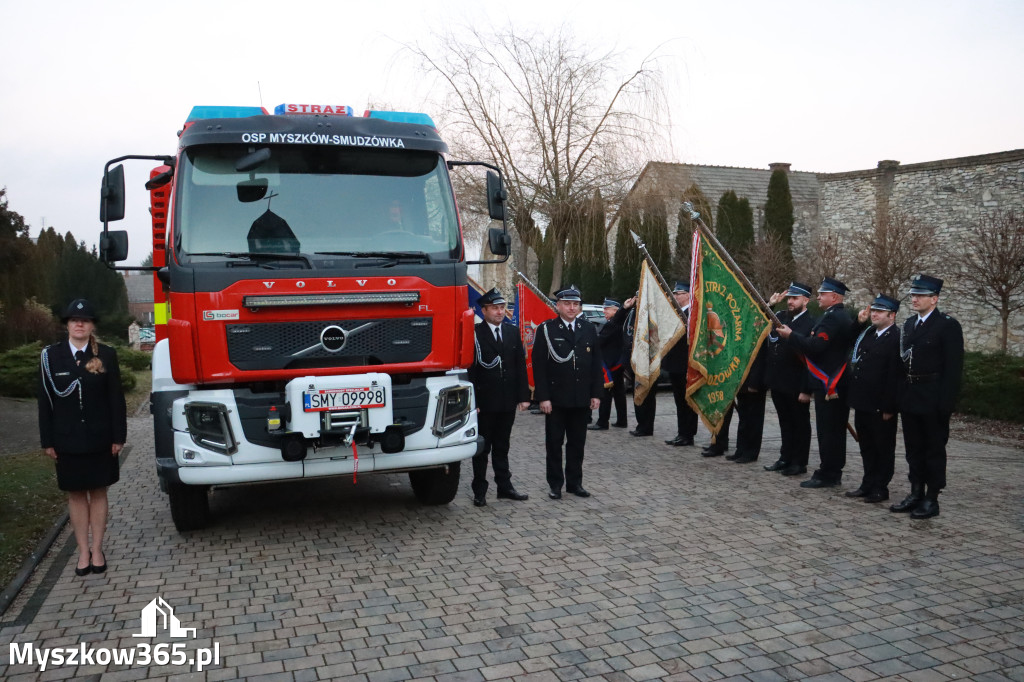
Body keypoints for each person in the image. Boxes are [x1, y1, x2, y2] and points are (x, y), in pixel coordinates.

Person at [38, 299, 127, 576]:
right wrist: (47, 440)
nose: (79, 324)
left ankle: (97, 549)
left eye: (85, 320)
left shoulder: (107, 355)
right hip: (67, 439)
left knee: (99, 492)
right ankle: (82, 552)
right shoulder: (51, 356)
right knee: (76, 495)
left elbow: (116, 399)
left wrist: (118, 436)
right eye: (74, 320)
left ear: (91, 326)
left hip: (100, 437)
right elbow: (45, 400)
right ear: (67, 324)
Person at [891, 274, 964, 519]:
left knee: (933, 449)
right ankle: (915, 493)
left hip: (933, 397)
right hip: (911, 396)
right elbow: (902, 365)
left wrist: (946, 403)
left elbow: (953, 368)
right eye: (913, 294)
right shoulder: (910, 324)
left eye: (920, 295)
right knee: (914, 449)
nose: (914, 298)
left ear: (934, 299)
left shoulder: (947, 325)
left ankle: (932, 498)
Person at [776, 277, 856, 489]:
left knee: (829, 432)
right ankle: (829, 470)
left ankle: (829, 472)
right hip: (829, 382)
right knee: (829, 430)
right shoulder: (834, 315)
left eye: (822, 294)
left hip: (831, 383)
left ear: (834, 297)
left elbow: (816, 346)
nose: (818, 297)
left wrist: (791, 336)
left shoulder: (833, 318)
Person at [532, 285, 604, 499]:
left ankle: (575, 483)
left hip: (581, 398)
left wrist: (596, 394)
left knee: (577, 444)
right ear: (558, 306)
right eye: (567, 304)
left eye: (575, 304)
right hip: (556, 398)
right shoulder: (547, 329)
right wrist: (543, 397)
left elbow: (595, 364)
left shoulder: (588, 329)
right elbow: (539, 366)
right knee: (554, 444)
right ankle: (555, 484)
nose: (572, 308)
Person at [467, 288, 532, 507]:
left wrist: (524, 396)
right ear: (483, 310)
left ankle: (505, 487)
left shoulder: (512, 332)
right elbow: (471, 371)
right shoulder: (475, 333)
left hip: (507, 400)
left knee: (502, 446)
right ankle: (479, 490)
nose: (500, 312)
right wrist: (473, 402)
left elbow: (520, 366)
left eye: (502, 307)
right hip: (485, 402)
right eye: (495, 308)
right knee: (482, 448)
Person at [846, 294, 902, 503]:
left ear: (892, 315)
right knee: (866, 446)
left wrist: (890, 406)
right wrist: (858, 323)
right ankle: (867, 483)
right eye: (873, 310)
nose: (874, 314)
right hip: (863, 401)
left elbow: (895, 375)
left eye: (879, 311)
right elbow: (849, 340)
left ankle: (881, 487)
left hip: (881, 404)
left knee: (883, 447)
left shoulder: (896, 337)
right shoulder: (868, 333)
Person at [763, 283, 816, 476]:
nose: (791, 302)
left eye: (795, 299)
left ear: (806, 301)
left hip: (796, 382)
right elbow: (759, 321)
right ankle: (785, 457)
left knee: (800, 424)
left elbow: (811, 359)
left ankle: (799, 462)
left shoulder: (810, 323)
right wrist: (771, 304)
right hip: (778, 380)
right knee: (785, 422)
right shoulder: (782, 317)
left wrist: (806, 389)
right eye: (789, 298)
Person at [663, 282, 699, 447]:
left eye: (679, 293)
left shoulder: (692, 313)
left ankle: (688, 434)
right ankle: (681, 432)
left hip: (685, 364)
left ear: (687, 295)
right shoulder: (676, 312)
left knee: (687, 402)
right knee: (679, 401)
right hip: (674, 365)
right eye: (675, 294)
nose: (676, 296)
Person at [590, 297, 634, 430]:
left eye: (607, 309)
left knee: (606, 393)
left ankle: (603, 422)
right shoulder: (618, 322)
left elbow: (601, 339)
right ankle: (622, 420)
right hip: (617, 362)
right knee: (619, 392)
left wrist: (623, 308)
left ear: (616, 311)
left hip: (611, 363)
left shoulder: (616, 322)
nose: (604, 311)